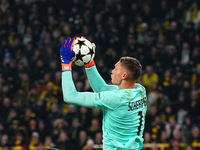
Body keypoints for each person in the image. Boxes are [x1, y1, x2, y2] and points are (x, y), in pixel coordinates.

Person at [60, 37, 147, 150]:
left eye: (116, 69)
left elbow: (70, 96)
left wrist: (65, 64)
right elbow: (102, 88)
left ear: (124, 75)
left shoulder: (116, 99)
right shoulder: (139, 90)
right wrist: (89, 62)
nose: (112, 71)